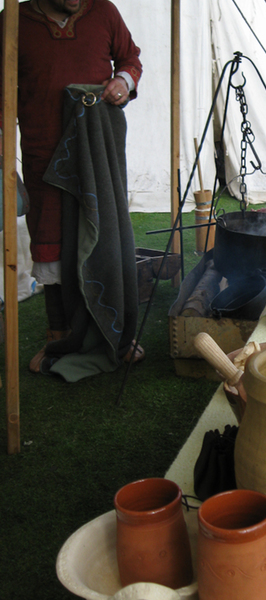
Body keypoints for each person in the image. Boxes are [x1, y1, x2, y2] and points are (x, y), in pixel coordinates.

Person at [0, 0, 143, 374]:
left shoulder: (105, 12)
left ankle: (117, 335)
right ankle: (58, 338)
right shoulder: (14, 20)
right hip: (42, 153)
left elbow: (130, 60)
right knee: (51, 244)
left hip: (98, 153)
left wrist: (122, 83)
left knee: (105, 237)